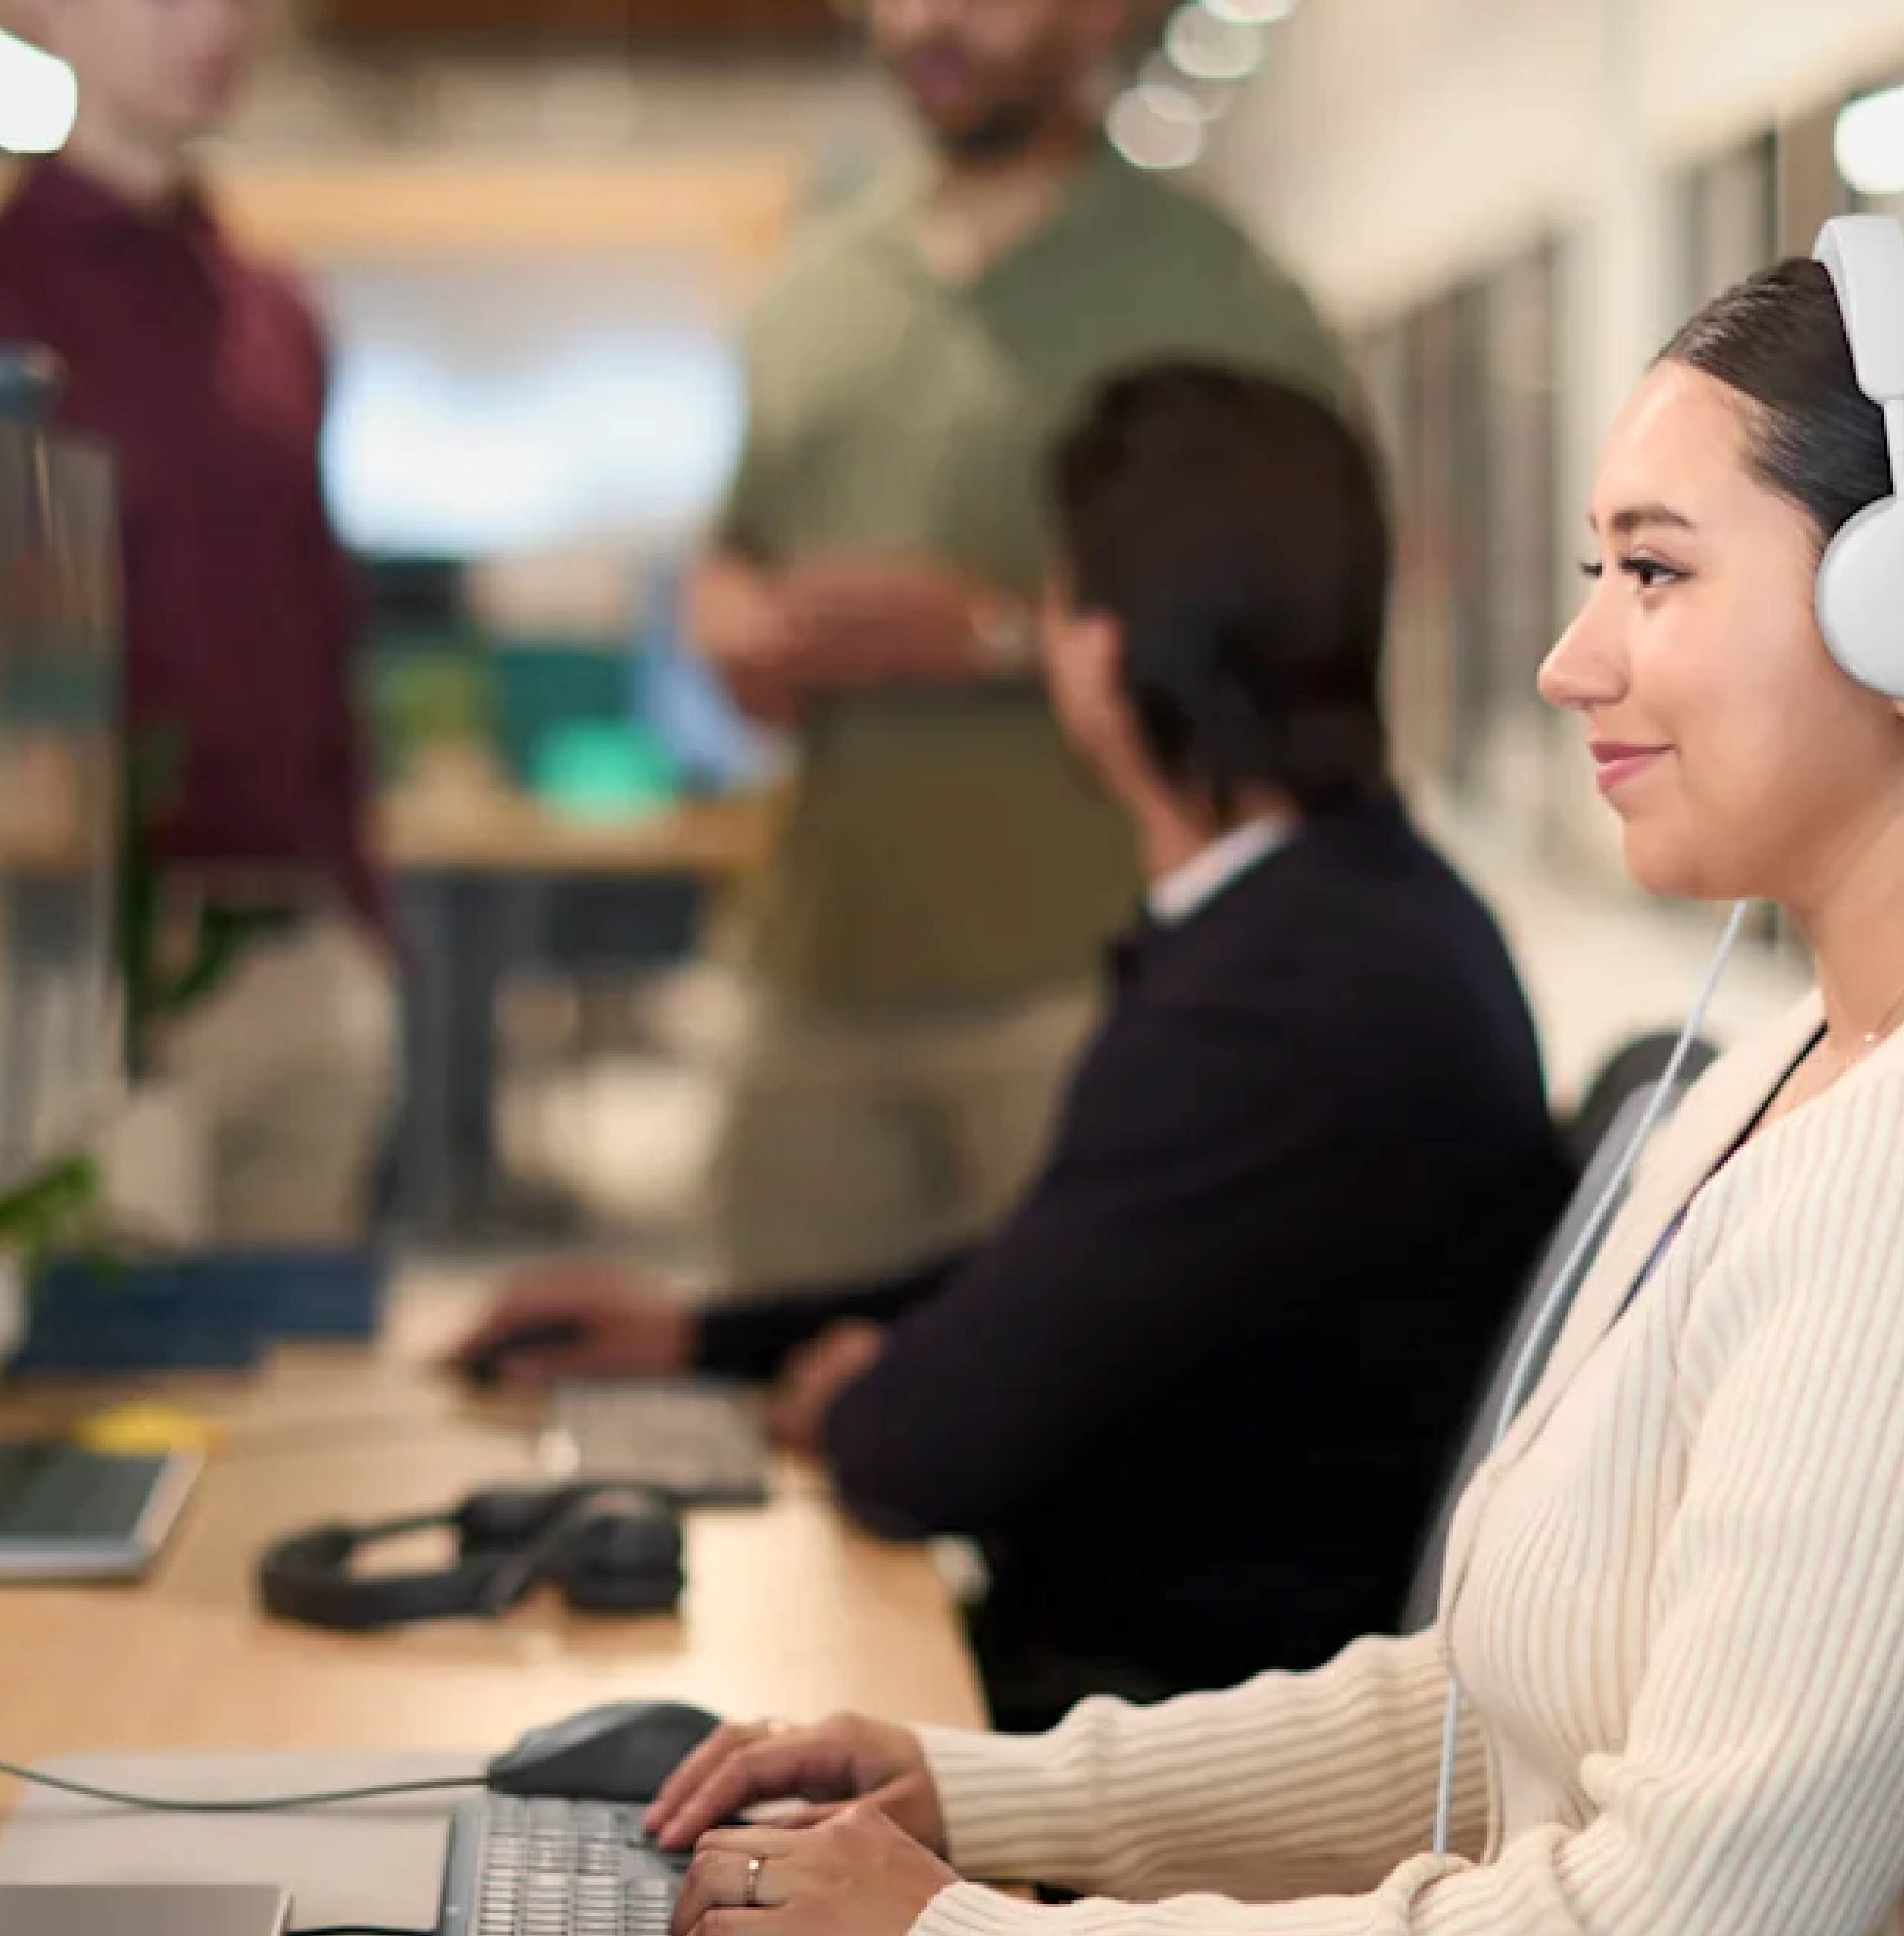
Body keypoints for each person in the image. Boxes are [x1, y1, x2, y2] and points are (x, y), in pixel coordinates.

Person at [627, 230, 1904, 1936]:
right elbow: (1501, 1713)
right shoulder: (1810, 1057)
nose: (1568, 659)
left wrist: (960, 1935)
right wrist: (977, 1787)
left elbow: (1670, 1921)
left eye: (1655, 573)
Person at [462, 365, 1566, 1731]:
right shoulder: (1352, 919)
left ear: (1098, 656)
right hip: (1183, 1681)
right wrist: (707, 1336)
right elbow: (1044, 1280)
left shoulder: (1281, 996)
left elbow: (923, 1451)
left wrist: (873, 1397)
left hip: (1163, 1727)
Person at [690, 0, 1354, 1292]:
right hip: (815, 973)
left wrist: (999, 635)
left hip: (1093, 981)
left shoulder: (1223, 294)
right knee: (772, 1416)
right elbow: (734, 552)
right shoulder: (809, 289)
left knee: (1077, 1448)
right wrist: (734, 622)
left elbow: (1301, 614)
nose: (930, 19)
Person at [0, 0, 398, 1247]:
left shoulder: (276, 316)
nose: (212, 21)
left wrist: (366, 925)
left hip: (301, 956)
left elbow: (315, 630)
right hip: (87, 978)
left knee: (299, 1411)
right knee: (115, 1412)